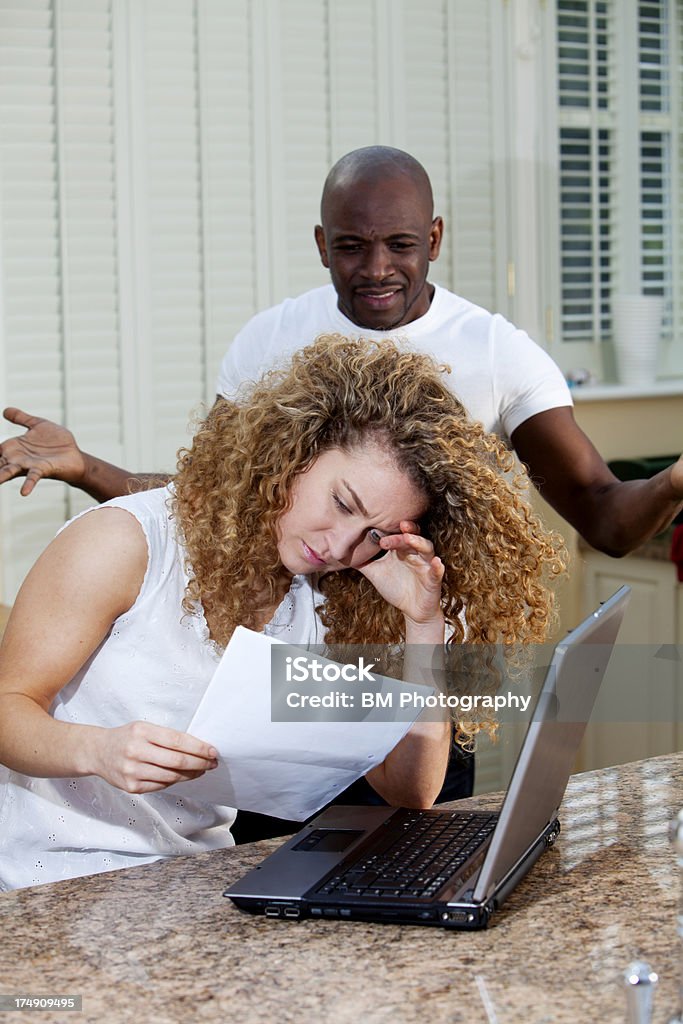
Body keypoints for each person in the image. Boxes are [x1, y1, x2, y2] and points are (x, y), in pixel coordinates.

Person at [0, 337, 564, 889]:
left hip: (195, 881)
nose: (342, 547)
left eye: (374, 534)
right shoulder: (127, 543)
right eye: (342, 503)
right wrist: (95, 749)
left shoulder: (322, 599)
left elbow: (409, 790)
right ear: (291, 451)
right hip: (52, 883)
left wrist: (423, 624)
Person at [1, 146, 682, 554]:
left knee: (425, 803)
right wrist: (83, 466)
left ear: (435, 238)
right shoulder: (270, 338)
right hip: (282, 661)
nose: (376, 268)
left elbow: (604, 517)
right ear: (323, 243)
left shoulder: (497, 352)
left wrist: (671, 482)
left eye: (401, 245)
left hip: (419, 670)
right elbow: (208, 499)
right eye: (352, 246)